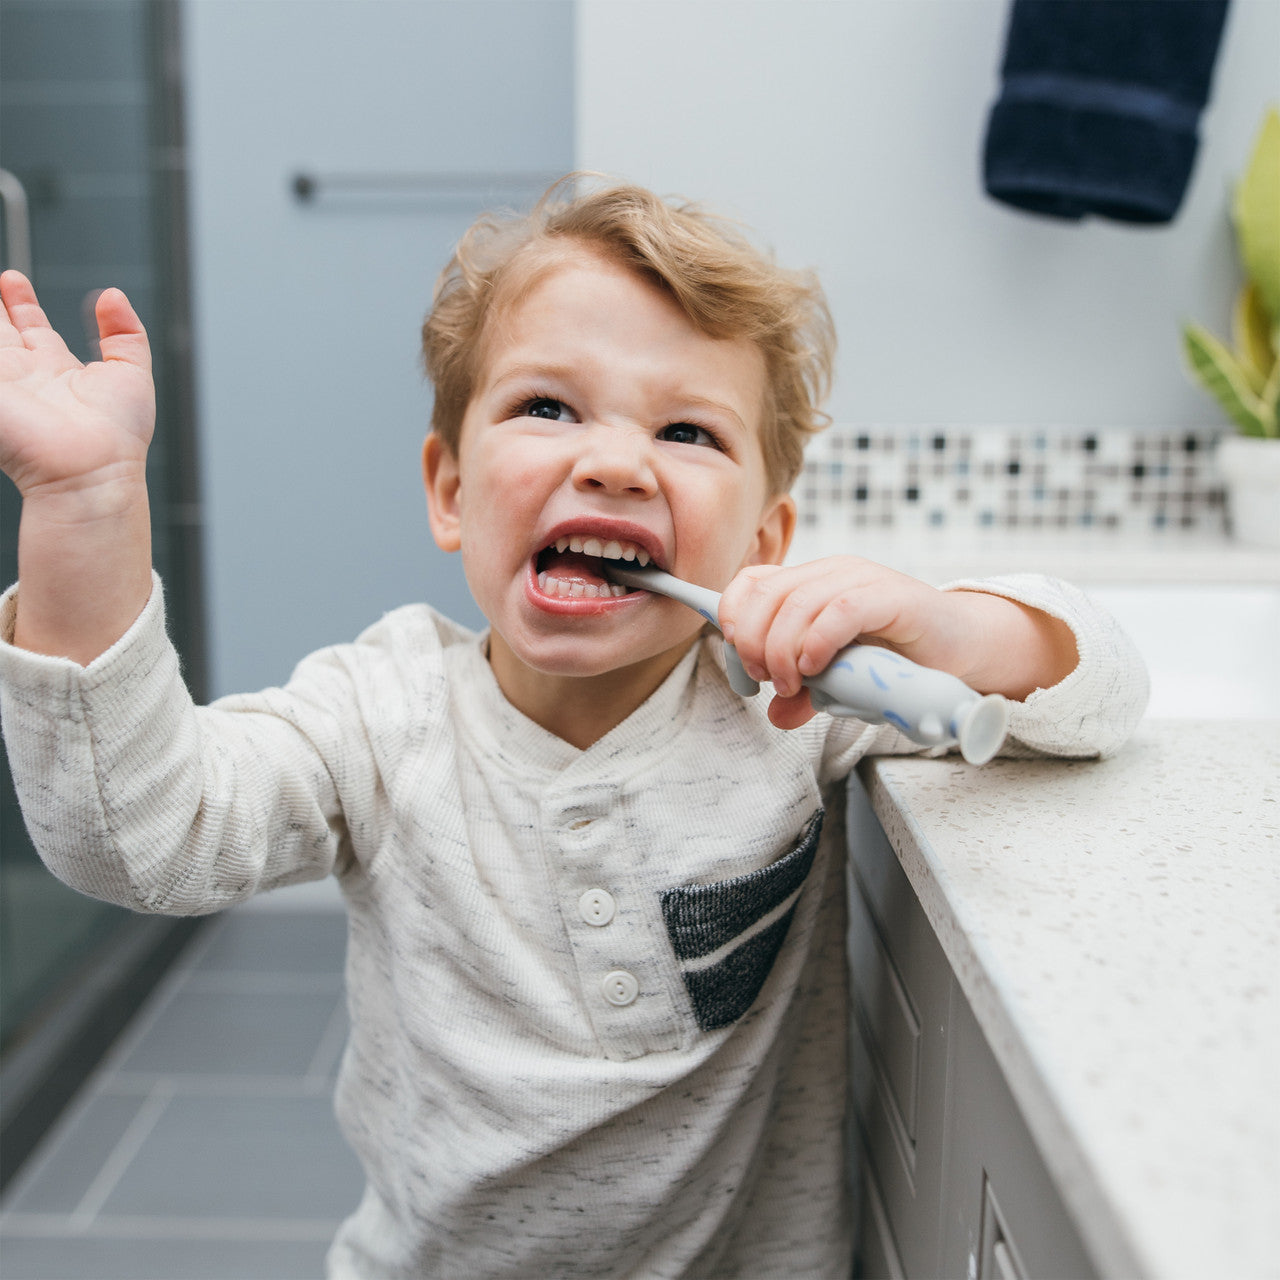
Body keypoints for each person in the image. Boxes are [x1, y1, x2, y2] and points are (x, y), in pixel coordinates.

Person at [0, 177, 1147, 1278]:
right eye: (546, 407)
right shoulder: (377, 712)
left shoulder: (797, 705)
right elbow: (134, 834)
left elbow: (1102, 688)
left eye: (688, 432)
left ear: (761, 541)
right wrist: (85, 508)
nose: (610, 461)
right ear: (450, 489)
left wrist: (940, 624)